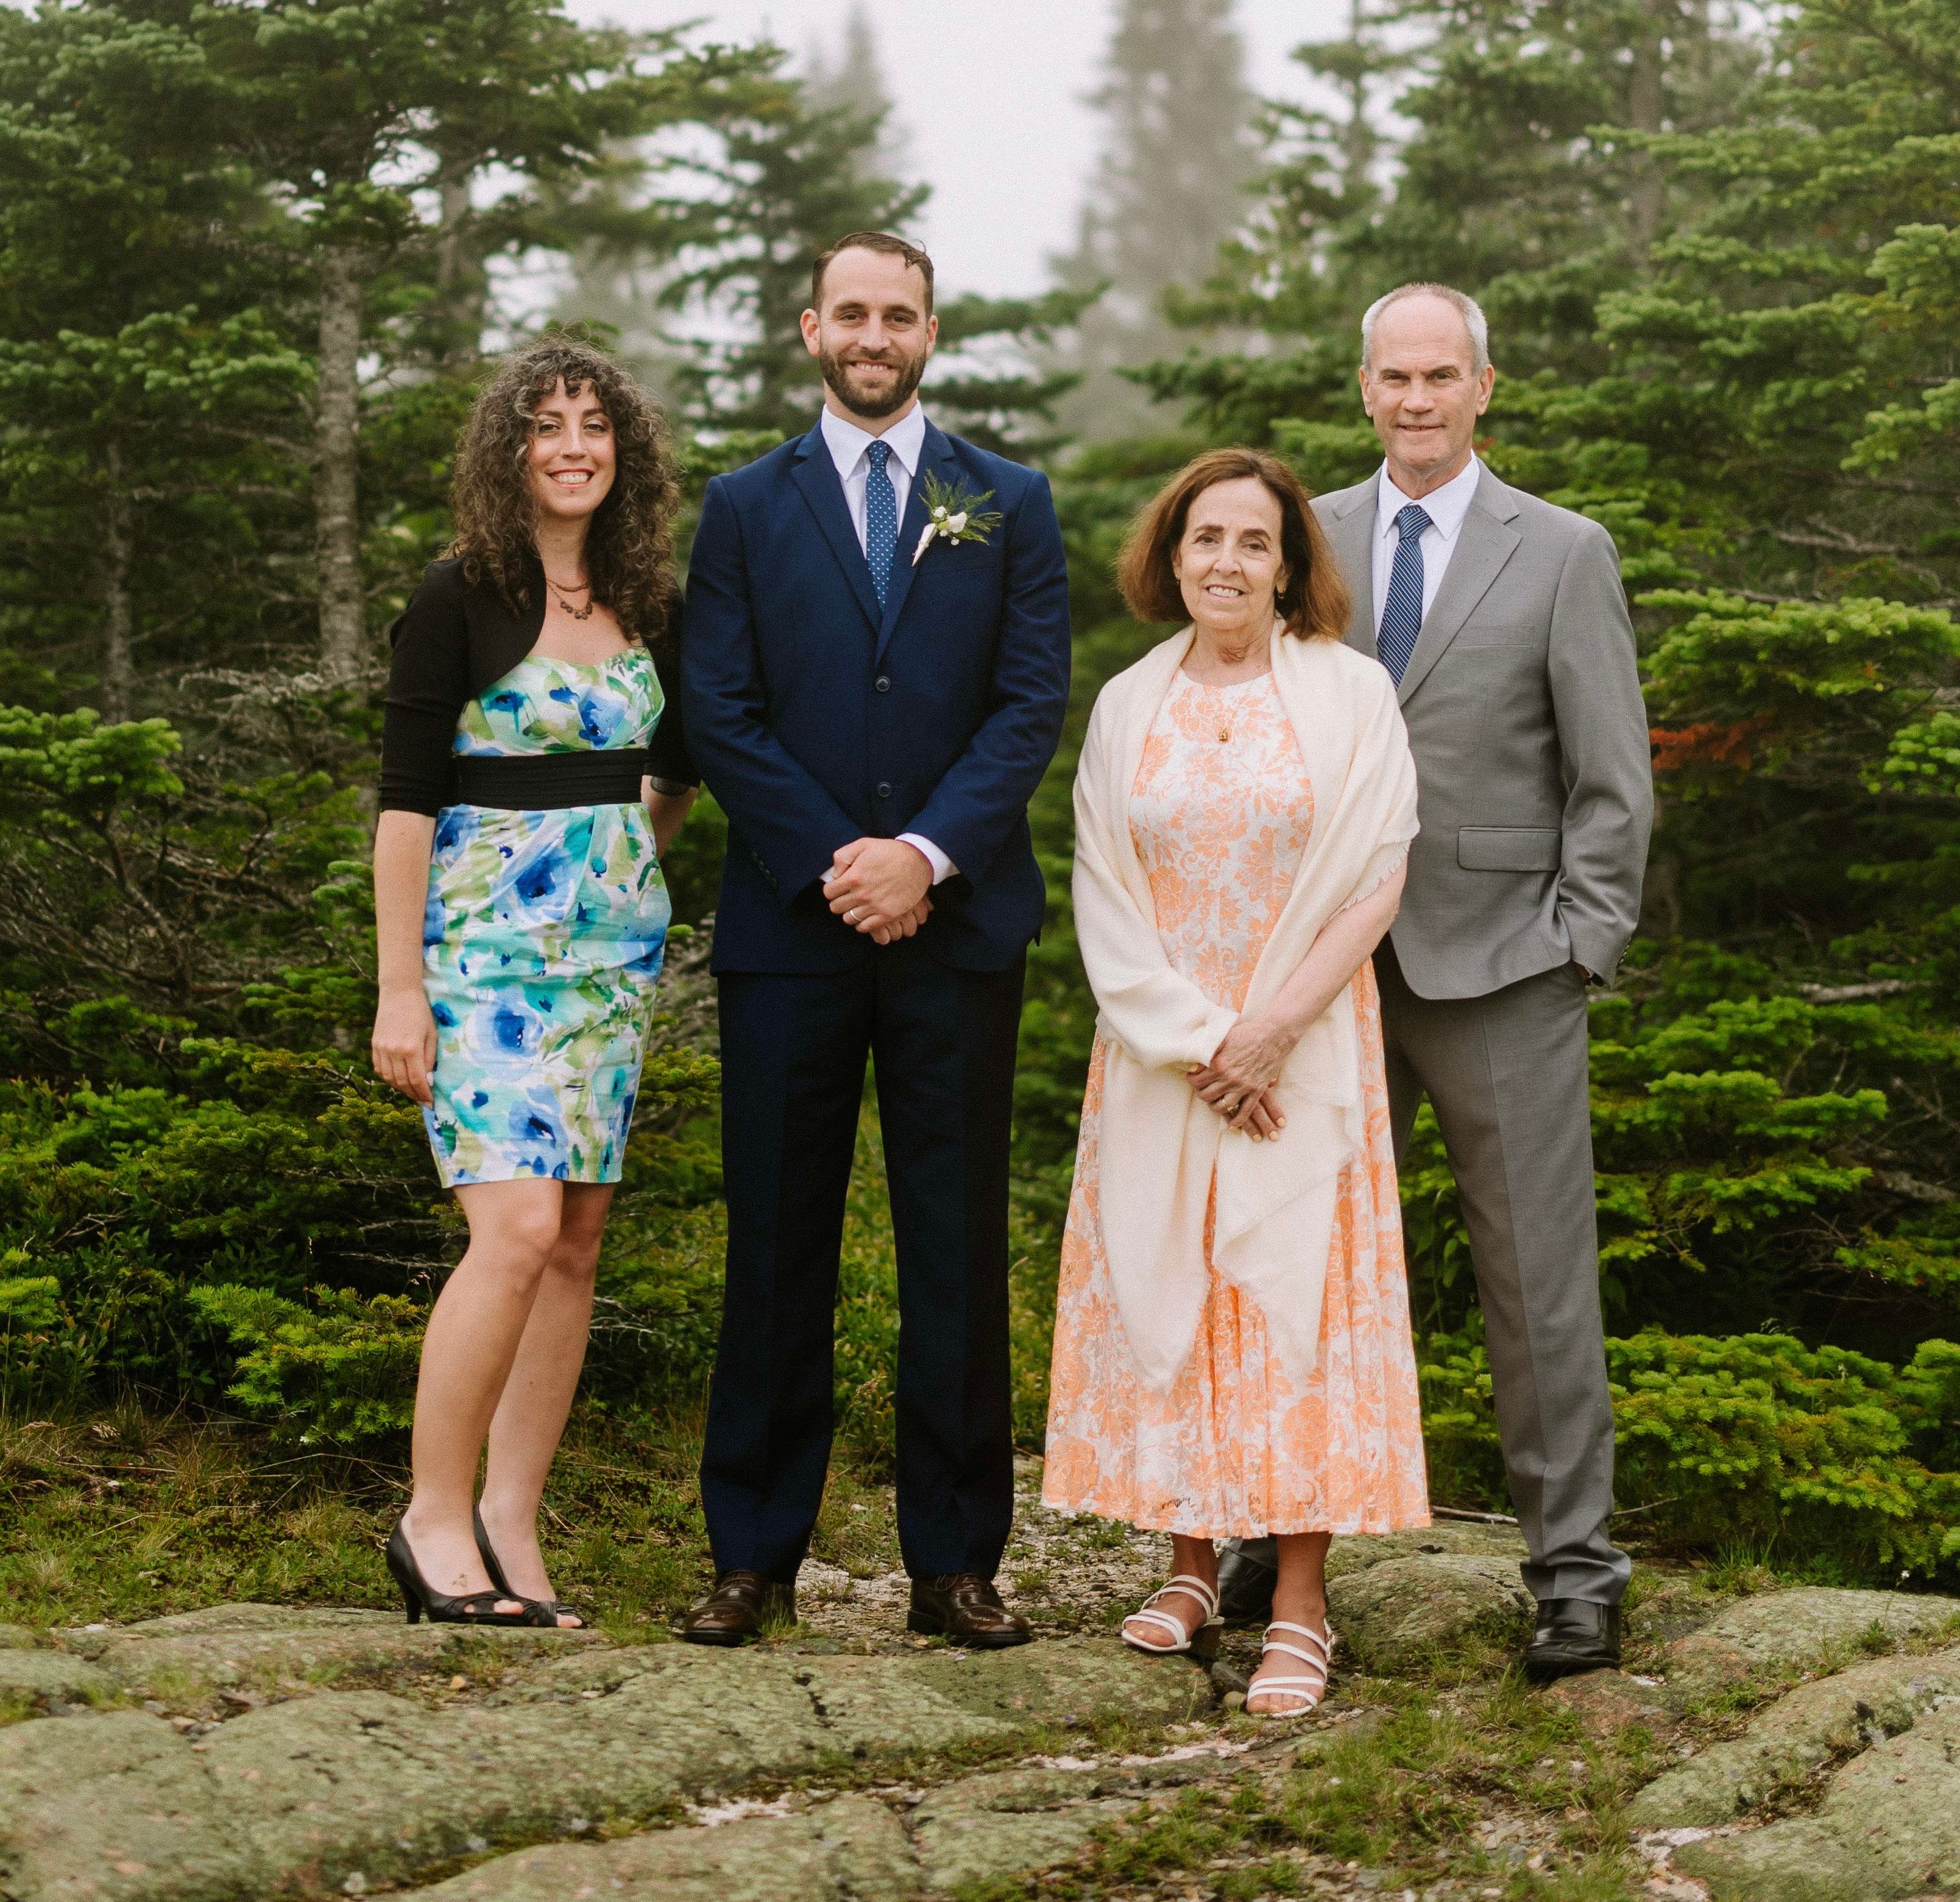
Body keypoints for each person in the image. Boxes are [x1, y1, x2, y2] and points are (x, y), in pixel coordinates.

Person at [1217, 283, 1654, 1683]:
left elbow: (1612, 782)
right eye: (1392, 377)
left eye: (1439, 376)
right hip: (1322, 971)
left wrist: (1580, 941)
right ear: (1363, 389)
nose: (1415, 400)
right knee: (1300, 1261)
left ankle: (1574, 1573)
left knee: (1535, 1282)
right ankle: (1266, 1547)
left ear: (1483, 386)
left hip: (1501, 964)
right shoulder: (1311, 539)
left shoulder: (1564, 550)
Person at [678, 231, 1071, 1648]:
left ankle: (954, 1562)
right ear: (809, 329)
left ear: (929, 333)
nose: (872, 334)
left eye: (896, 315)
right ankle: (752, 1555)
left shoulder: (1007, 500)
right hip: (792, 928)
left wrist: (921, 857)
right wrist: (842, 863)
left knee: (953, 1249)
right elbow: (719, 708)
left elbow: (1029, 703)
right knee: (778, 1241)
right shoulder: (739, 507)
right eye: (851, 312)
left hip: (957, 927)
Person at [1043, 448, 1428, 1718]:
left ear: (1288, 565)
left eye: (1253, 543)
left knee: (1288, 1299)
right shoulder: (1126, 702)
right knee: (1178, 1285)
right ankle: (1188, 1562)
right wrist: (1201, 1040)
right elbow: (1104, 883)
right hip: (1165, 1054)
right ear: (1170, 554)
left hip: (1302, 1044)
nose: (1225, 562)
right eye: (1205, 538)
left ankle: (1300, 1604)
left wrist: (1268, 1032)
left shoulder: (1350, 694)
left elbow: (1378, 870)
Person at [370, 337, 696, 1627]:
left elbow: (668, 778)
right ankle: (431, 1520)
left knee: (572, 1243)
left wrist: (617, 868)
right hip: (477, 963)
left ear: (626, 453)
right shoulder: (459, 596)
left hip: (607, 968)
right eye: (546, 426)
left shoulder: (645, 604)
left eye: (594, 426)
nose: (573, 446)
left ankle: (512, 1520)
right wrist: (401, 989)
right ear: (508, 452)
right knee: (507, 1232)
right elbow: (404, 810)